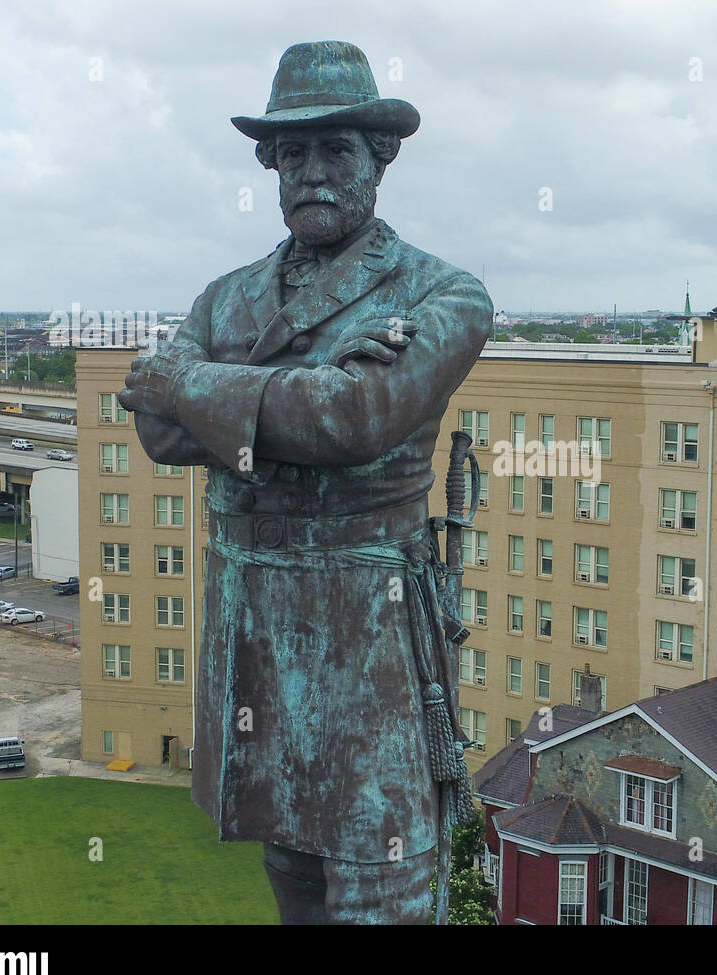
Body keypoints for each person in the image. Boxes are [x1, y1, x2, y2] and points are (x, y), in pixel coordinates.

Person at [119, 40, 491, 924]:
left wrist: (191, 385)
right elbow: (157, 429)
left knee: (382, 888)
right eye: (294, 153)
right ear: (272, 167)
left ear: (378, 161)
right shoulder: (226, 299)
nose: (312, 171)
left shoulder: (445, 294)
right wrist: (295, 400)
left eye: (336, 151)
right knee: (290, 869)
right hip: (255, 627)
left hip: (368, 628)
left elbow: (355, 420)